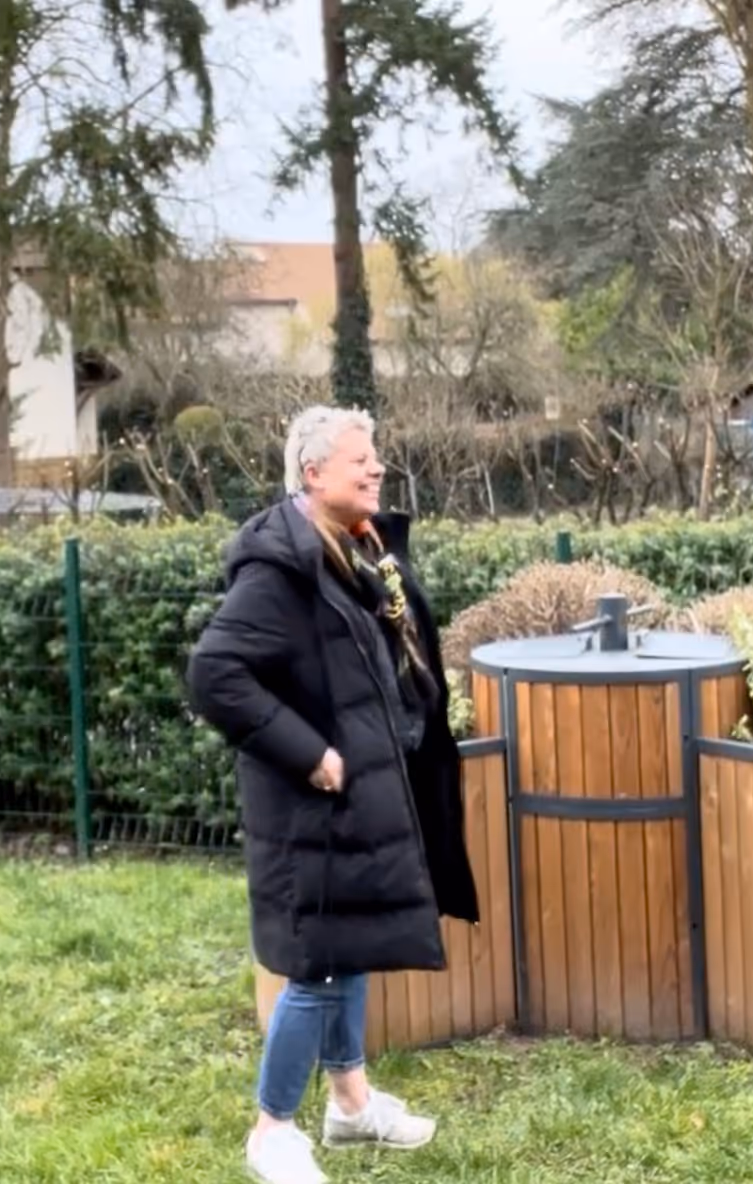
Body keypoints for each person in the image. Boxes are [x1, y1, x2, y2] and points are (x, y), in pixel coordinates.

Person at [187, 405, 478, 1184]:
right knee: (317, 967)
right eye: (361, 459)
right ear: (313, 473)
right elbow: (214, 675)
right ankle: (270, 1131)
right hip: (312, 808)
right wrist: (308, 750)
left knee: (350, 952)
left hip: (363, 800)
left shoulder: (356, 550)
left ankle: (350, 1106)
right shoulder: (281, 569)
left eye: (376, 456)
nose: (377, 468)